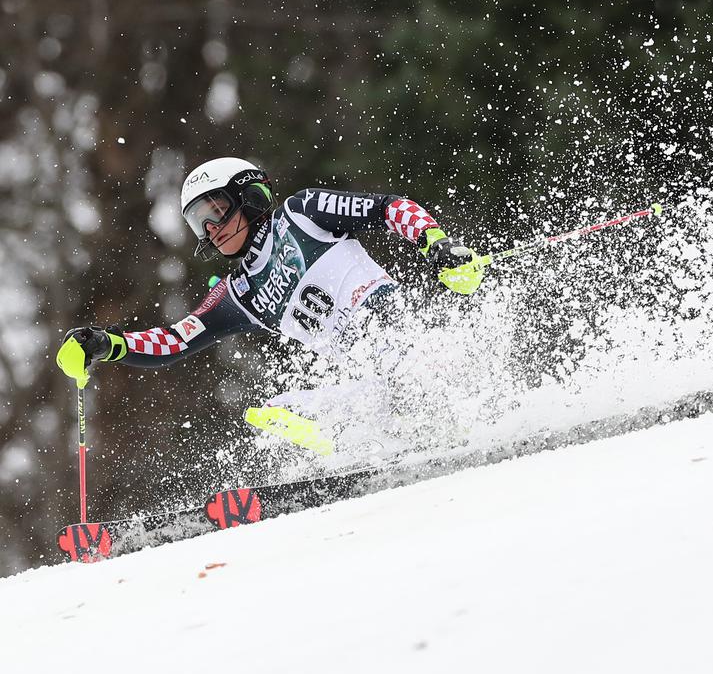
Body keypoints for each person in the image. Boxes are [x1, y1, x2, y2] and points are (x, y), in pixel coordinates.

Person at [55, 157, 487, 454]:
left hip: (398, 336)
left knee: (321, 401)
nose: (211, 229)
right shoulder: (239, 292)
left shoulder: (301, 213)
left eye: (216, 210)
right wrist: (108, 344)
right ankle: (368, 453)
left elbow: (389, 208)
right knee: (276, 412)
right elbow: (174, 340)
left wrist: (436, 243)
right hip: (368, 376)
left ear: (249, 196)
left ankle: (446, 421)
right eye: (199, 223)